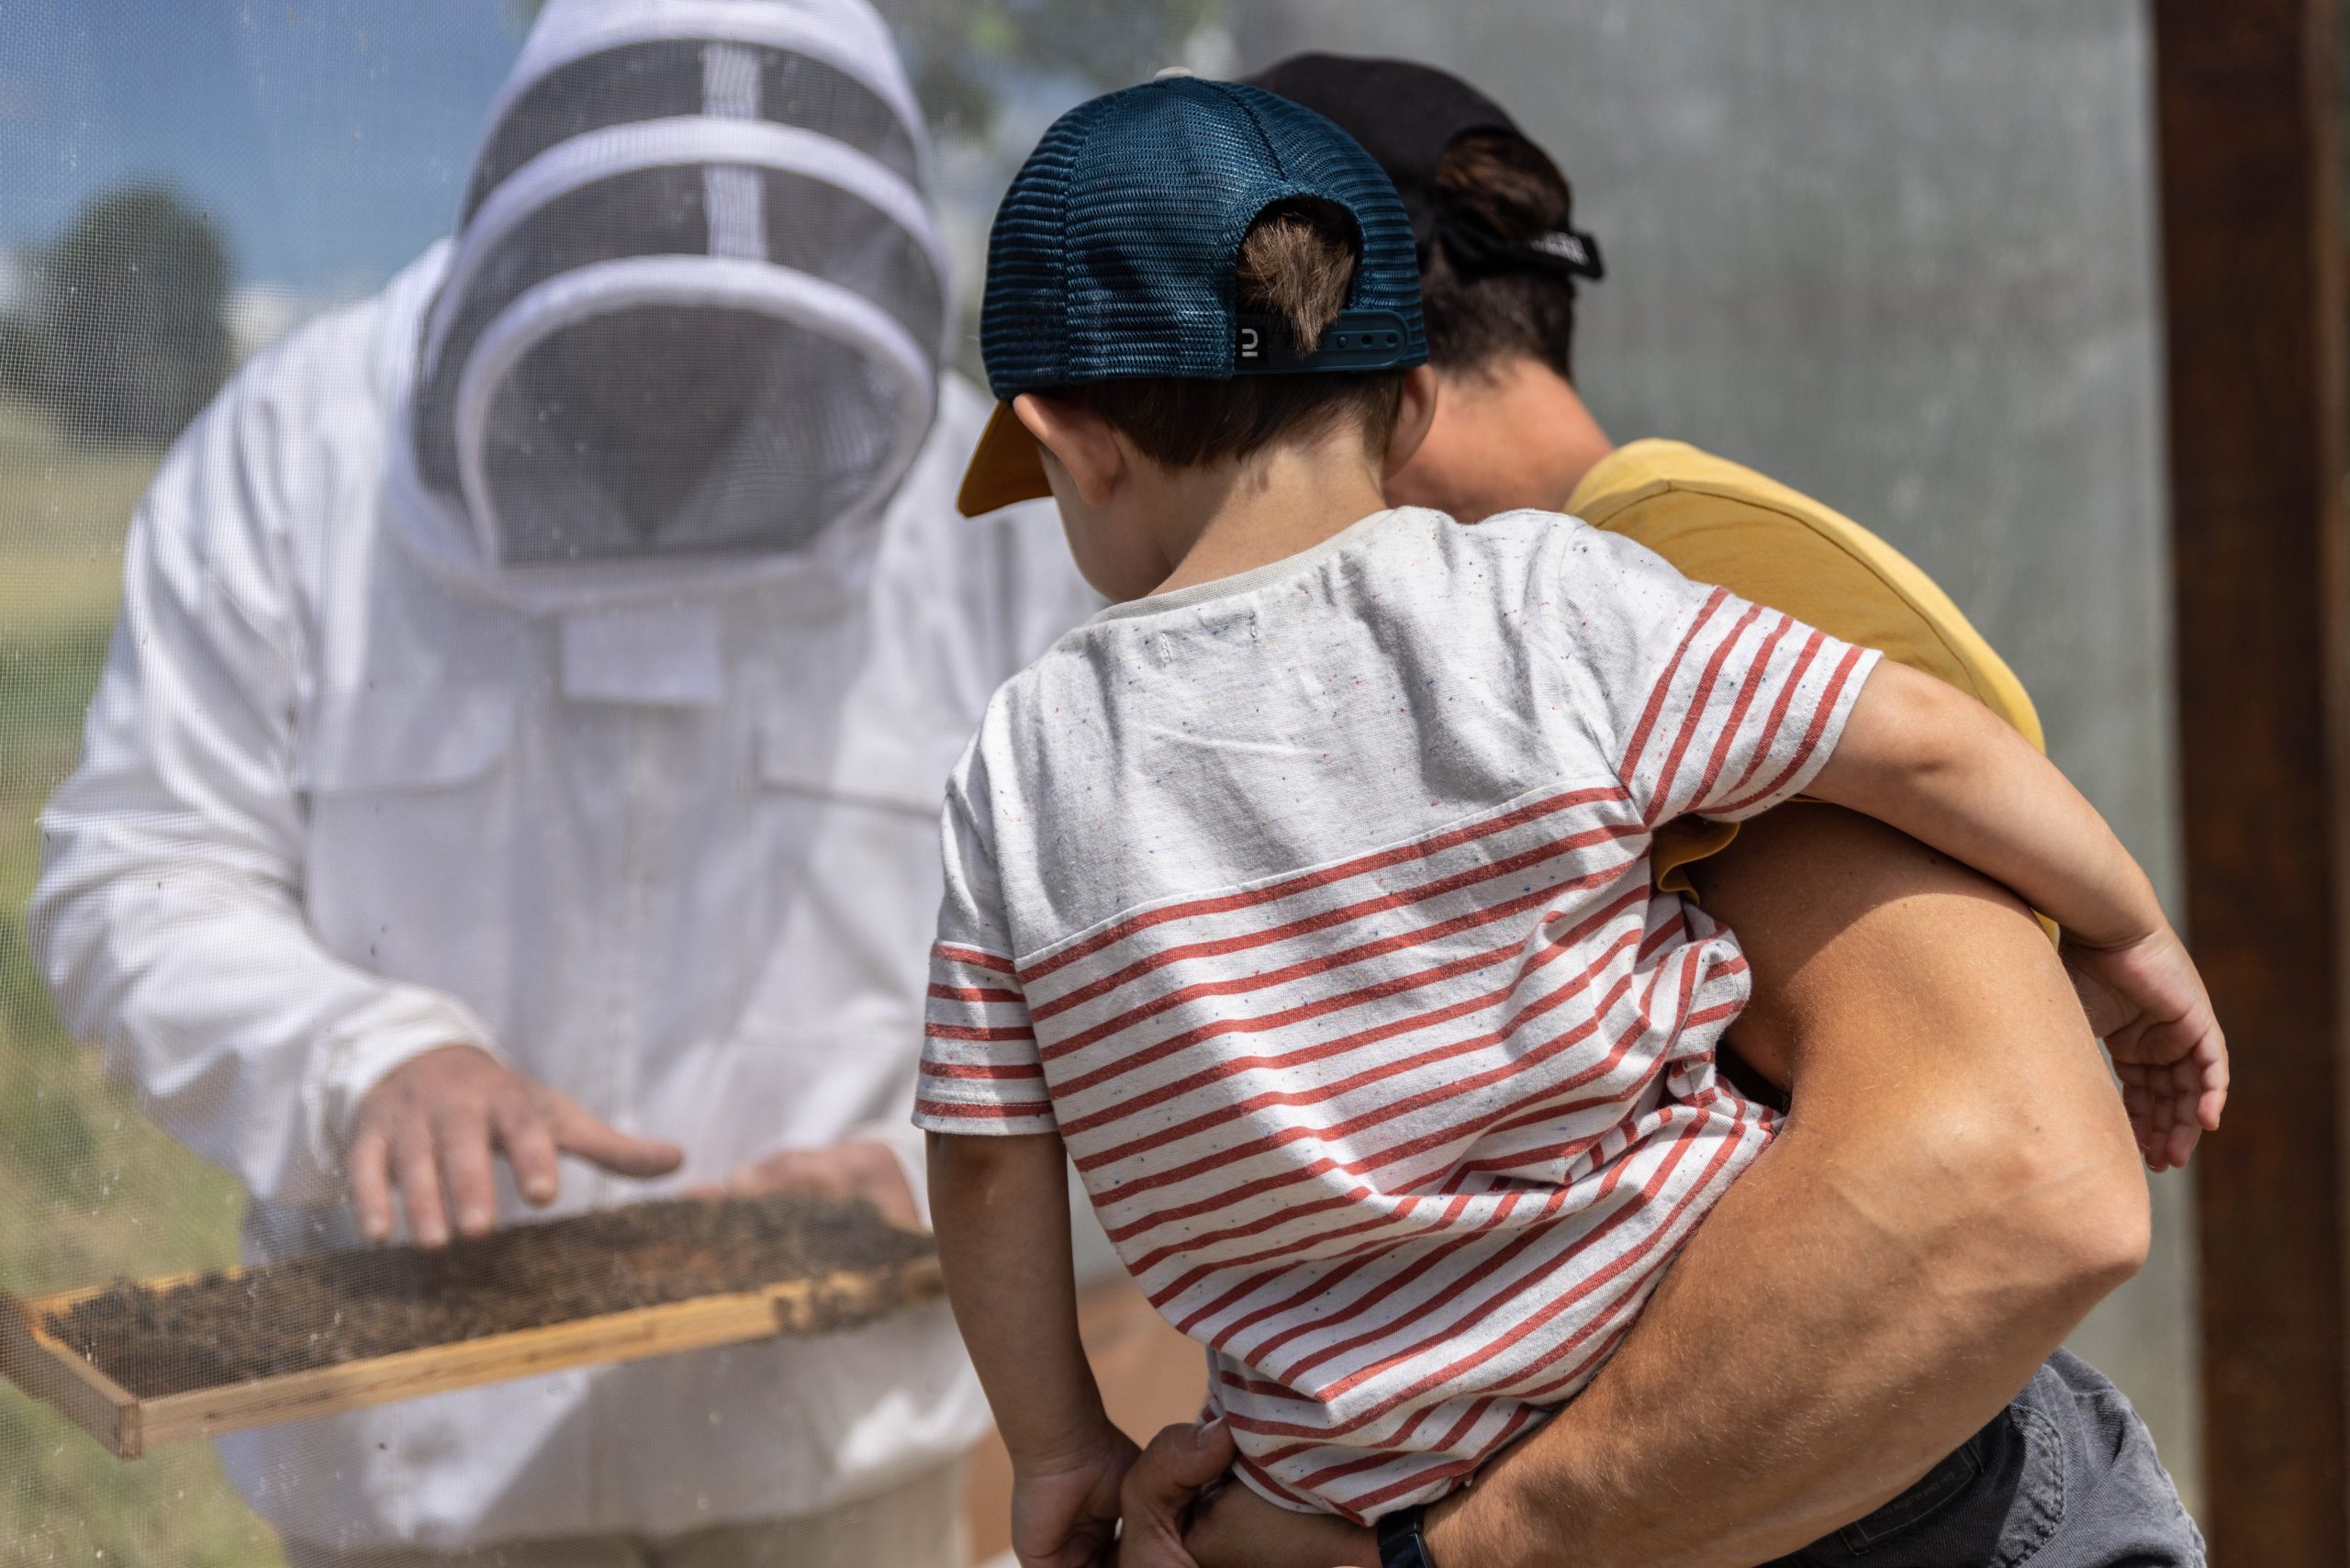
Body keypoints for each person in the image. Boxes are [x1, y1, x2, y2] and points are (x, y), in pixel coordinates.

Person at [915, 76, 2219, 1568]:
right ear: (1408, 401)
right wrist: (2128, 926)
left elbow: (986, 1149)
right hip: (1775, 1447)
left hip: (1355, 1485)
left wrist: (1058, 1445)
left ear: (1071, 441)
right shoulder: (1548, 599)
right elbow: (1922, 745)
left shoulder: (1019, 764)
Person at [28, 2, 1096, 1562]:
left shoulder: (983, 514)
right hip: (418, 1487)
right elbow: (139, 868)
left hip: (837, 1448)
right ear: (536, 208)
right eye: (652, 255)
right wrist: (364, 1059)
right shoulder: (295, 455)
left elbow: (1113, 935)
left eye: (755, 288)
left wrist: (946, 1166)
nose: (696, 353)